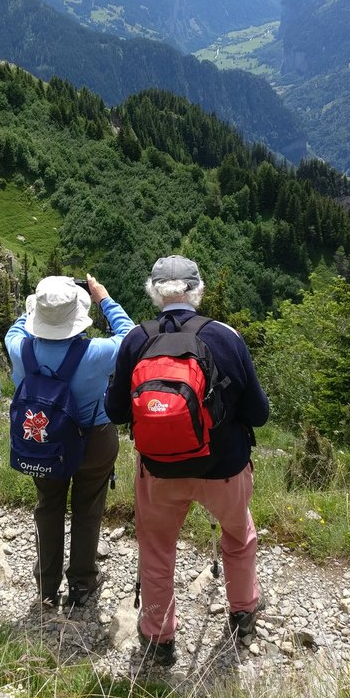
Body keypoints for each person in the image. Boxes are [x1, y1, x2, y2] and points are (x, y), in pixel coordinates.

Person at [105, 256, 270, 666]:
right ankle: (243, 611)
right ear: (197, 290)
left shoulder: (136, 340)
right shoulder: (226, 337)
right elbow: (259, 413)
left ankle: (158, 638)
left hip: (159, 470)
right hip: (224, 468)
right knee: (238, 536)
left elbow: (115, 411)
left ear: (154, 292)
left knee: (157, 549)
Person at [6, 274, 134, 608]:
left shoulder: (18, 347)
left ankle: (47, 587)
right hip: (93, 440)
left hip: (43, 440)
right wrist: (104, 298)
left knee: (48, 507)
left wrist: (38, 303)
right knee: (88, 509)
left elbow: (17, 327)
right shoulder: (97, 352)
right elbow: (131, 336)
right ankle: (81, 583)